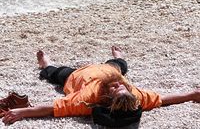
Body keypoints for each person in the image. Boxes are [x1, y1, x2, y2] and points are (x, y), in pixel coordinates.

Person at [1, 46, 200, 127]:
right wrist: (192, 94)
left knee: (54, 73)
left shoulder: (87, 100)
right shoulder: (134, 95)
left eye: (115, 89)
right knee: (121, 66)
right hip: (108, 68)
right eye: (122, 87)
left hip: (76, 77)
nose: (117, 85)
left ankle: (45, 63)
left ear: (106, 98)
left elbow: (53, 108)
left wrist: (22, 112)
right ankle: (119, 56)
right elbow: (164, 99)